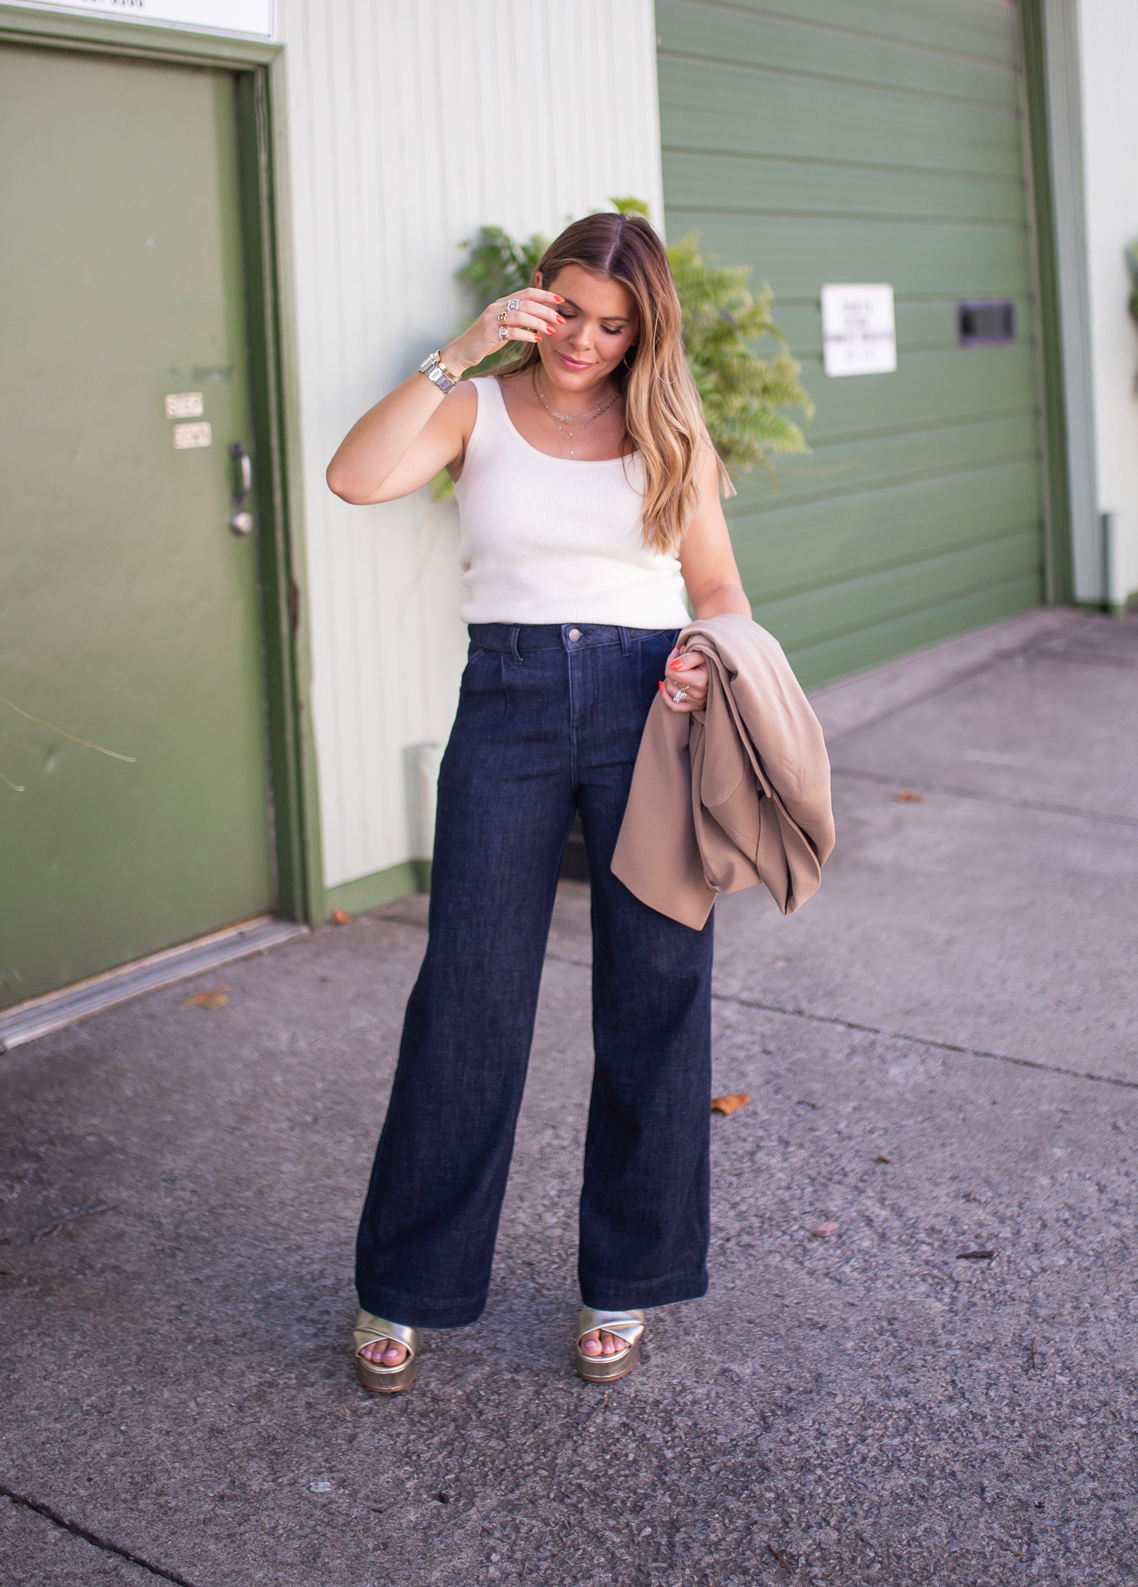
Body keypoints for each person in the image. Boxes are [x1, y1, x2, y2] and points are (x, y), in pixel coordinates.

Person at [326, 209, 750, 1390]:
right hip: (507, 699)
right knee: (466, 994)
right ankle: (407, 1284)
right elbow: (355, 478)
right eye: (570, 309)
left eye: (615, 324)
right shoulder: (475, 404)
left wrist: (716, 654)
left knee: (657, 991)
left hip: (650, 701)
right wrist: (455, 350)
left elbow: (718, 585)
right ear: (535, 295)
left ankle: (626, 1279)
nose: (587, 340)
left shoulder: (667, 424)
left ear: (643, 327)